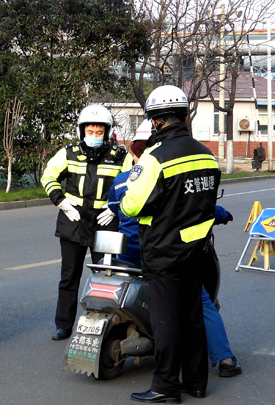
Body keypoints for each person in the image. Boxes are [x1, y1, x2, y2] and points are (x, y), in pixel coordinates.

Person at [103, 121, 242, 379]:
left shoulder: (121, 181)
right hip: (165, 254)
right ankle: (224, 359)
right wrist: (221, 213)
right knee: (200, 301)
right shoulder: (170, 172)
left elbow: (116, 208)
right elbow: (195, 209)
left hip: (127, 256)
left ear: (134, 150)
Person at [119, 85, 221, 404]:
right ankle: (196, 383)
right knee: (192, 316)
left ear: (155, 120)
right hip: (198, 249)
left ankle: (165, 385)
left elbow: (132, 205)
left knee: (166, 320)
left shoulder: (155, 158)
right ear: (183, 116)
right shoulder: (205, 154)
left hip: (165, 250)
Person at [41, 104, 127, 341]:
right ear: (82, 131)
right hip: (74, 219)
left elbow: (132, 184)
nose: (94, 136)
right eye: (90, 131)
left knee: (106, 277)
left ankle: (104, 325)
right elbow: (48, 176)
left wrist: (115, 207)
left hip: (105, 220)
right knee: (69, 276)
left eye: (99, 132)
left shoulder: (120, 156)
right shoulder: (68, 153)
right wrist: (61, 202)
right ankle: (63, 325)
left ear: (107, 132)